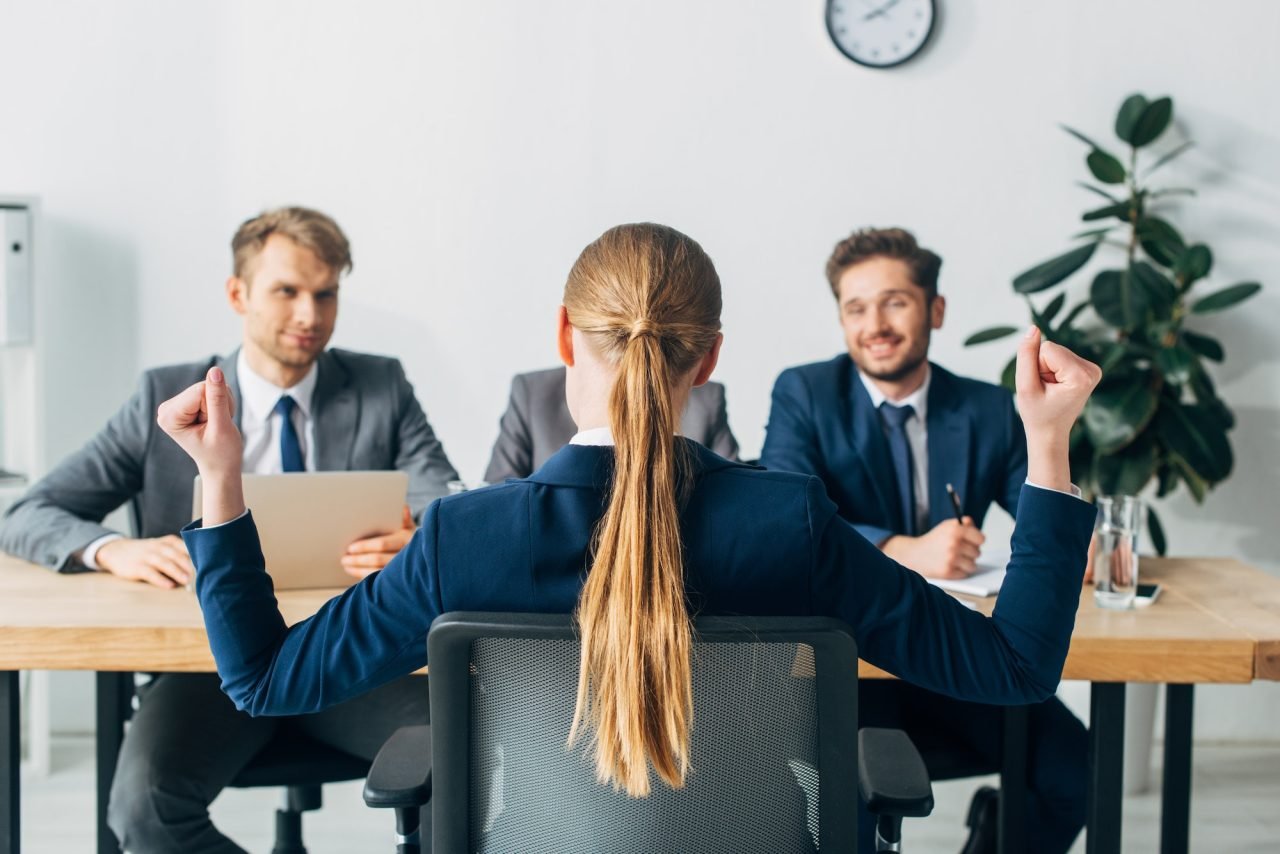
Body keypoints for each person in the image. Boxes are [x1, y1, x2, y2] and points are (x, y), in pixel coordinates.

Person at [160, 223, 1100, 853]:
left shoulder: (463, 537)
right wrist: (1048, 447)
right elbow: (1016, 668)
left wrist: (219, 479)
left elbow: (263, 680)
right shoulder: (791, 522)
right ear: (712, 355)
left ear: (566, 338)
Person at [0, 206, 458, 853]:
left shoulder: (380, 385)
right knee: (143, 807)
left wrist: (418, 538)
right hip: (206, 673)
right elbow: (28, 512)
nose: (310, 315)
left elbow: (443, 494)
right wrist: (111, 549)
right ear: (237, 295)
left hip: (348, 657)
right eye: (287, 292)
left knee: (464, 762)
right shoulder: (164, 395)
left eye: (326, 294)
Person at [759, 226, 1088, 854]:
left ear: (935, 309)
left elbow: (1042, 508)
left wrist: (1067, 501)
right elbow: (779, 517)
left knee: (1073, 765)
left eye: (895, 302)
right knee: (845, 803)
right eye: (855, 308)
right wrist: (898, 548)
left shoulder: (991, 409)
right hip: (846, 673)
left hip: (952, 660)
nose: (874, 324)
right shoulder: (804, 392)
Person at [483, 365, 739, 482]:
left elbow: (734, 496)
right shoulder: (532, 394)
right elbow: (496, 497)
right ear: (711, 354)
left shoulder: (707, 401)